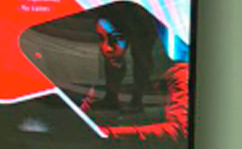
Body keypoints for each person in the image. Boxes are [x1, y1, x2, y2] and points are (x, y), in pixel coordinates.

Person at [81, 13, 189, 144]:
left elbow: (179, 131)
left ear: (135, 41)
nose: (107, 48)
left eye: (117, 38)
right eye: (100, 38)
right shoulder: (109, 78)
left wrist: (107, 133)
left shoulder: (179, 73)